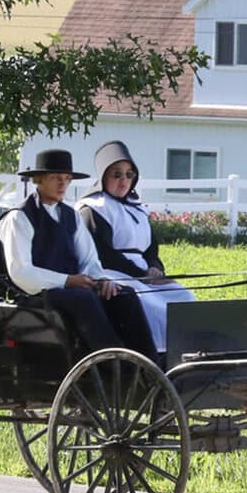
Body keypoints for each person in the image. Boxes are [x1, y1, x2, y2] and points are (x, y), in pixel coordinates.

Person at [0, 148, 158, 361]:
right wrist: (68, 281)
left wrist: (101, 280)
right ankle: (113, 363)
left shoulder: (70, 216)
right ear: (39, 180)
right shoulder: (19, 218)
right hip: (34, 294)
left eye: (67, 179)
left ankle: (149, 363)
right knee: (83, 299)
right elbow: (22, 273)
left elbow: (89, 259)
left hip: (71, 289)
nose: (63, 184)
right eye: (55, 178)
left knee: (124, 295)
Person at [77, 140, 197, 358]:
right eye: (117, 174)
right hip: (112, 274)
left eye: (129, 175)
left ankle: (189, 352)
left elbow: (151, 248)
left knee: (183, 297)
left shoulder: (137, 209)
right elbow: (104, 255)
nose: (123, 181)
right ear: (104, 176)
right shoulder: (93, 209)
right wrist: (142, 275)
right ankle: (158, 357)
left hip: (143, 275)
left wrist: (154, 268)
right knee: (152, 306)